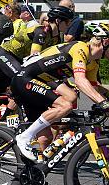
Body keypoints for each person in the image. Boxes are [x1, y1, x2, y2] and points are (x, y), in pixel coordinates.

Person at [13, 24, 109, 163]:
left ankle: (32, 176)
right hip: (24, 79)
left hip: (42, 82)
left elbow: (94, 89)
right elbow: (80, 81)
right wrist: (103, 103)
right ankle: (24, 137)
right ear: (105, 42)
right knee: (66, 104)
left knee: (45, 138)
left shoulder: (93, 63)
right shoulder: (80, 48)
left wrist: (105, 100)